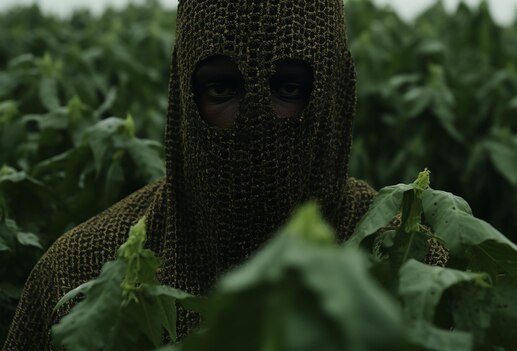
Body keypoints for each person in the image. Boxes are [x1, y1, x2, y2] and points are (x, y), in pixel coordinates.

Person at [3, 1, 446, 349]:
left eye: (287, 88)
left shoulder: (411, 271)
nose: (254, 121)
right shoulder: (81, 276)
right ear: (183, 89)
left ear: (333, 90)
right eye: (222, 89)